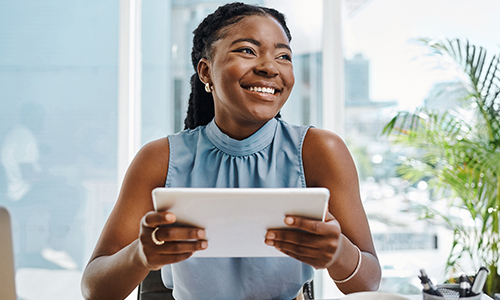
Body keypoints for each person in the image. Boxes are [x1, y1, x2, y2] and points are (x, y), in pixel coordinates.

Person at [81, 2, 381, 299]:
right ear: (206, 72)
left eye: (283, 56)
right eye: (247, 50)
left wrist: (339, 253)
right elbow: (94, 288)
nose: (269, 67)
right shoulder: (160, 159)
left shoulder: (320, 151)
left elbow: (367, 283)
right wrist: (140, 255)